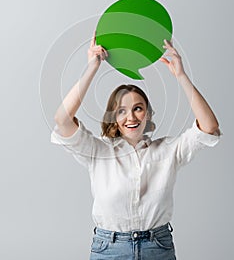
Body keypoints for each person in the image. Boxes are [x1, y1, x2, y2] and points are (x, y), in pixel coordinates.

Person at [51, 33, 222, 260]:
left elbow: (209, 127)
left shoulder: (169, 150)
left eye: (138, 108)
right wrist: (92, 67)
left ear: (148, 113)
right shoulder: (98, 151)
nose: (130, 116)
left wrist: (180, 75)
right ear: (114, 117)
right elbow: (62, 119)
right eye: (121, 110)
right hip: (109, 249)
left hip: (157, 247)